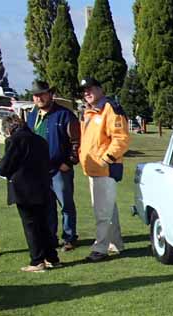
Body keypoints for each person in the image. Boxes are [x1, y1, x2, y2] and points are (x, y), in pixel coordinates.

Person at [0, 114, 61, 272]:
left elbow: (4, 167)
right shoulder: (40, 140)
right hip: (43, 187)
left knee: (31, 226)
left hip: (24, 189)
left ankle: (37, 260)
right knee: (44, 225)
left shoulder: (14, 140)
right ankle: (52, 258)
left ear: (8, 129)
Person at [78, 77, 130, 262]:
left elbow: (121, 138)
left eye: (90, 89)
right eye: (84, 90)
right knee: (108, 209)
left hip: (105, 169)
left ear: (100, 89)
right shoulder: (89, 111)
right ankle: (115, 243)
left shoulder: (110, 108)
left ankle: (100, 248)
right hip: (93, 169)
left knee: (102, 211)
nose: (87, 93)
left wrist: (106, 159)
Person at [27, 80, 81, 251]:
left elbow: (76, 141)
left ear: (50, 94)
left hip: (59, 169)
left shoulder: (64, 115)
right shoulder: (32, 116)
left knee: (66, 205)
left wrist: (69, 162)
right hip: (39, 170)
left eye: (42, 94)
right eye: (35, 95)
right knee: (46, 206)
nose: (39, 98)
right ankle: (51, 237)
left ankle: (69, 237)